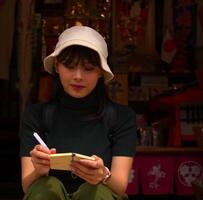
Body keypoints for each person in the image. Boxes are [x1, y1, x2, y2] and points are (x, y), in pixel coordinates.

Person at [19, 25, 137, 200]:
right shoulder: (36, 115)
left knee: (95, 192)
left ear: (100, 72)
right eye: (70, 66)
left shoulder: (122, 117)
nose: (78, 76)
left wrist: (103, 175)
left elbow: (119, 187)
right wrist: (38, 171)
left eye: (88, 68)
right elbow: (27, 186)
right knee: (45, 187)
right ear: (57, 66)